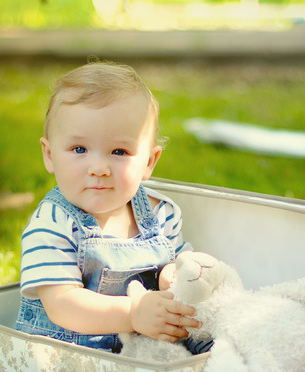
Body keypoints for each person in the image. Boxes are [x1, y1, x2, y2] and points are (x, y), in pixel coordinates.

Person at [14, 61, 201, 353]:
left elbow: (181, 261)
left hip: (144, 353)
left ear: (149, 162)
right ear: (49, 155)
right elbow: (62, 304)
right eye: (79, 150)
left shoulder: (160, 213)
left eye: (119, 152)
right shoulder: (52, 222)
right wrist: (132, 313)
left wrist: (174, 275)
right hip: (70, 363)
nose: (99, 168)